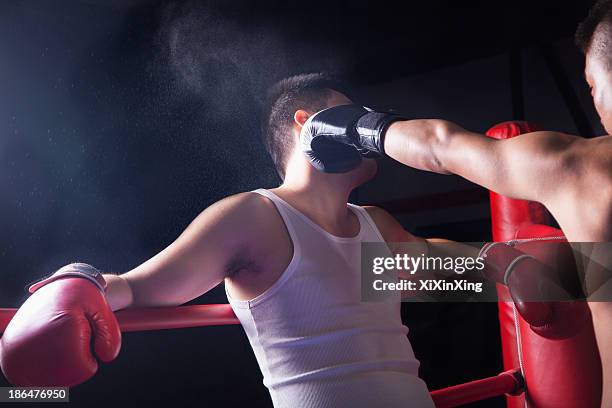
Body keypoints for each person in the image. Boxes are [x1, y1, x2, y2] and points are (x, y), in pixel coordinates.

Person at [0, 73, 440, 408]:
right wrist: (79, 281)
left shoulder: (377, 226)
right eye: (350, 116)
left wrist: (507, 264)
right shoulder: (256, 217)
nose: (364, 129)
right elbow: (139, 287)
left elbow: (457, 274)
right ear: (308, 125)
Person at [297, 1, 612, 405]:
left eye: (590, 84)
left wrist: (352, 127)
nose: (593, 102)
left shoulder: (578, 169)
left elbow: (440, 147)